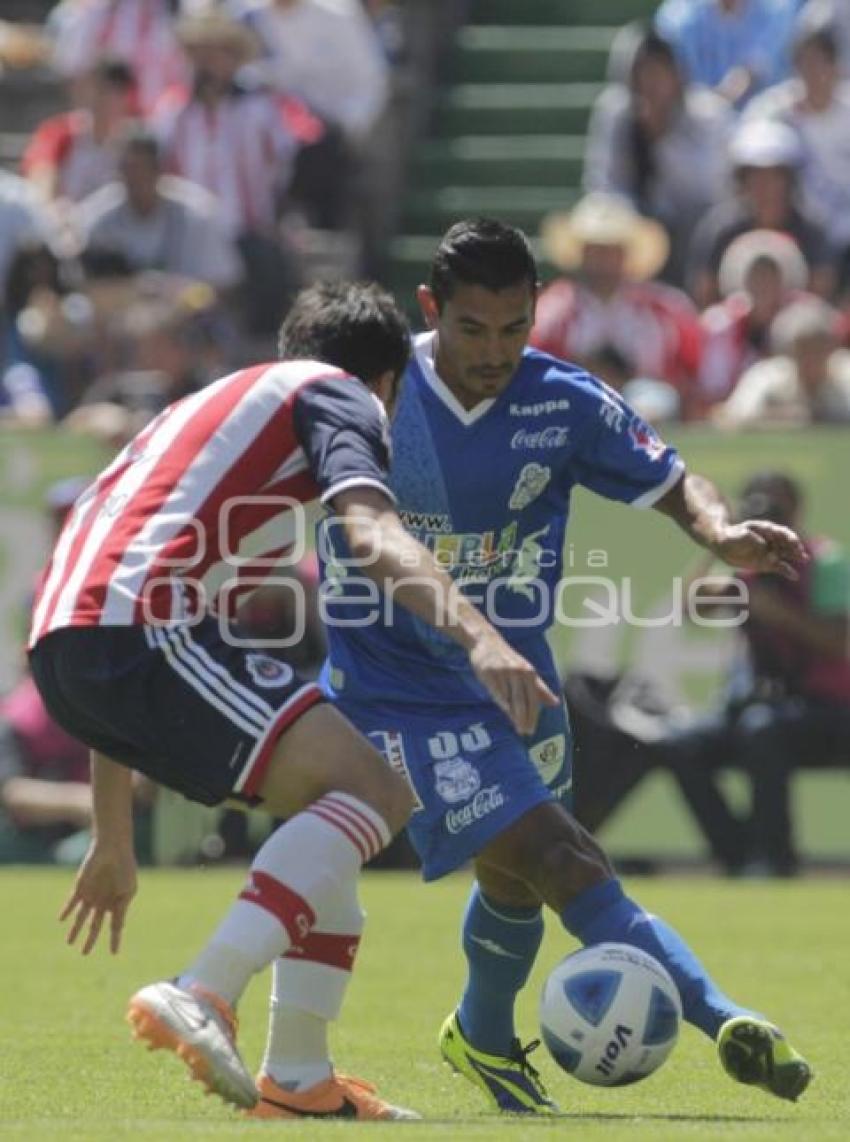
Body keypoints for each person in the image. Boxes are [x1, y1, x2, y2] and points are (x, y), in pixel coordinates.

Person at [291, 220, 811, 1117]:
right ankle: (722, 1016)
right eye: (472, 330)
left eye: (513, 329)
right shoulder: (369, 392)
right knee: (559, 855)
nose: (494, 353)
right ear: (431, 310)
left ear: (537, 312)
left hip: (515, 681)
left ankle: (480, 1034)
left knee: (515, 880)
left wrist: (720, 533)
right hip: (396, 689)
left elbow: (673, 477)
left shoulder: (561, 401)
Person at [27, 280, 554, 1120]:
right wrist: (482, 636)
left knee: (333, 817)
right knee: (378, 793)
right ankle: (206, 988)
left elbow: (106, 618)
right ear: (388, 381)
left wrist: (114, 836)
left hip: (68, 641)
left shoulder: (208, 409)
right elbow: (371, 533)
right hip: (131, 632)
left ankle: (300, 1078)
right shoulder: (339, 392)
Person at [668, 472, 850, 876]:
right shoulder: (746, 574)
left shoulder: (826, 560)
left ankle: (775, 860)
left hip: (830, 709)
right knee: (681, 744)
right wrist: (720, 540)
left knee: (761, 730)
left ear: (797, 511)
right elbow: (690, 606)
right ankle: (738, 857)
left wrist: (776, 612)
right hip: (767, 708)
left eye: (775, 505)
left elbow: (838, 643)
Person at [583, 26, 733, 286]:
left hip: (694, 226)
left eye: (660, 71)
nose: (651, 82)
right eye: (643, 72)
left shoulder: (708, 115)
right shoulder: (615, 113)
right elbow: (602, 184)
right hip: (634, 226)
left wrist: (662, 140)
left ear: (678, 74)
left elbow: (711, 189)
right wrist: (637, 226)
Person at [531, 192, 702, 416]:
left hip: (646, 411)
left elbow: (686, 374)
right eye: (596, 250)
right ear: (581, 252)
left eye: (611, 250)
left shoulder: (664, 309)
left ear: (626, 253)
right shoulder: (553, 311)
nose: (603, 259)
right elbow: (539, 374)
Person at [688, 118, 834, 306]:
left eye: (775, 176)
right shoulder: (720, 230)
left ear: (791, 181)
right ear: (741, 182)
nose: (765, 187)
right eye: (755, 176)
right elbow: (704, 297)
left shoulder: (812, 233)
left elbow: (819, 299)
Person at [716, 296, 850, 426]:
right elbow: (730, 417)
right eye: (804, 349)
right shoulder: (767, 377)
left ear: (830, 350)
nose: (812, 357)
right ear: (790, 352)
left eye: (818, 348)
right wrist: (783, 416)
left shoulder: (845, 373)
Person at [655, 0, 798, 108]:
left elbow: (755, 71)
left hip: (761, 122)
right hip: (692, 120)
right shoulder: (677, 17)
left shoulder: (778, 10)